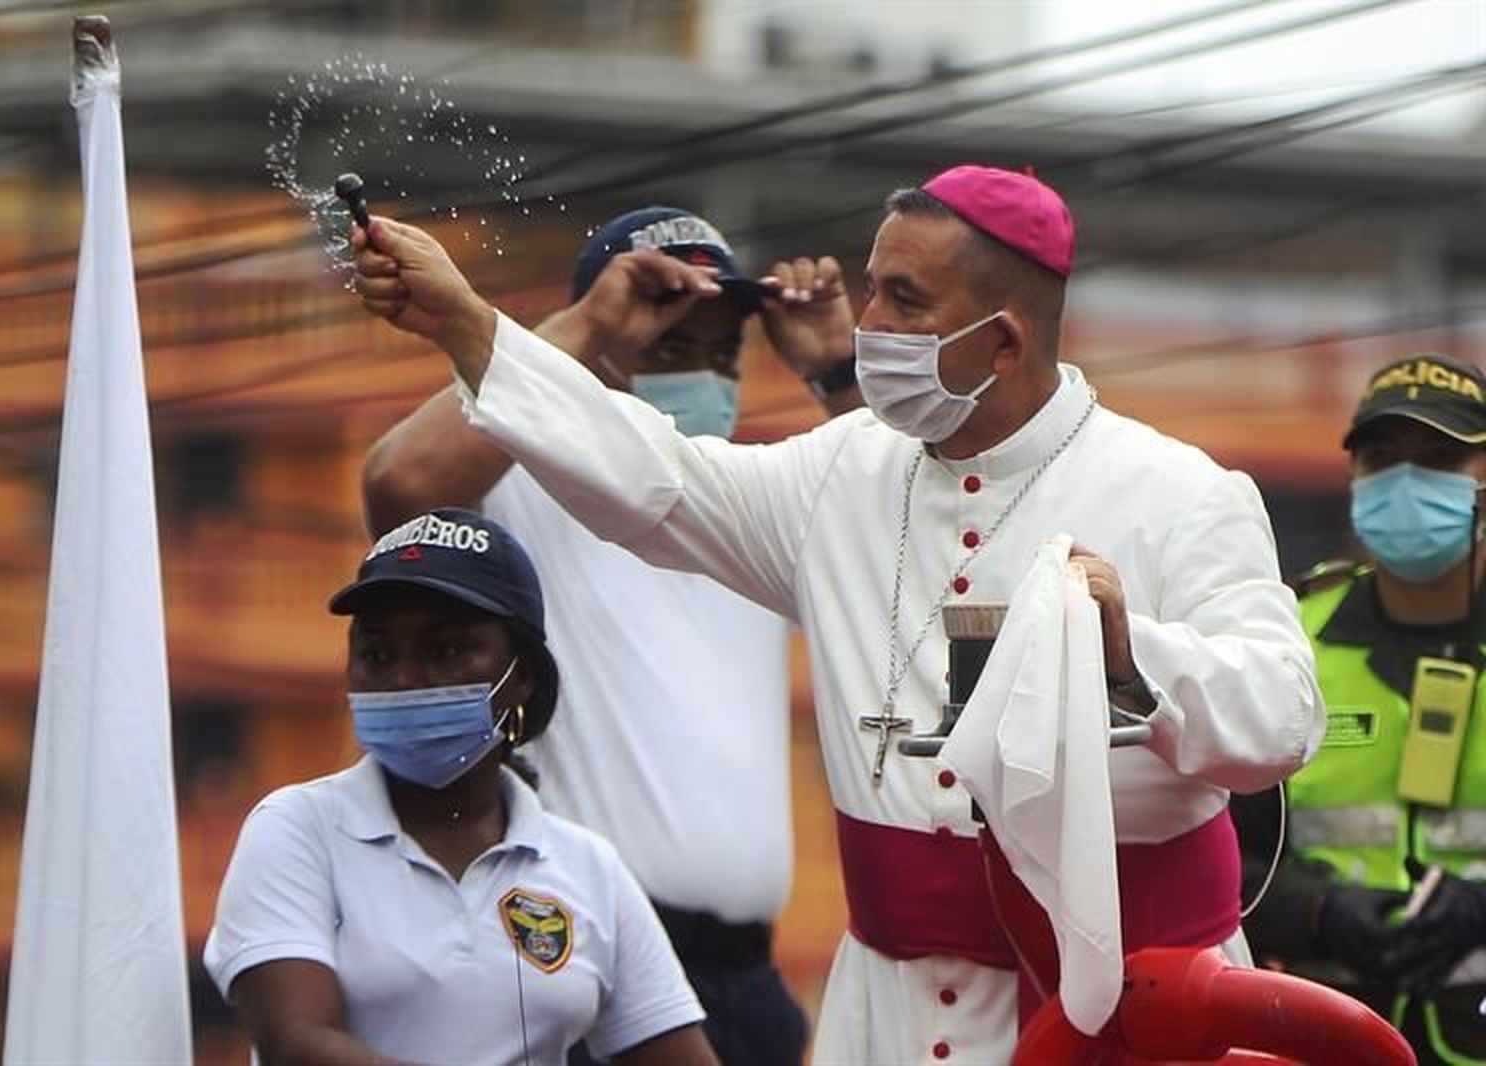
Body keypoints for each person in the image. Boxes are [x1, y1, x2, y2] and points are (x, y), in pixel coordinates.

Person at [348, 164, 1326, 1062]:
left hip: (1121, 1008)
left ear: (1002, 340)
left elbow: (1280, 719)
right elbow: (657, 475)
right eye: (871, 286)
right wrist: (470, 327)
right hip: (888, 1012)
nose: (867, 320)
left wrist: (1126, 654)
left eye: (903, 299)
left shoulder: (1180, 492)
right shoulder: (843, 471)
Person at [360, 206, 856, 1066]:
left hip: (747, 980)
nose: (704, 372)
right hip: (586, 956)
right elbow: (403, 482)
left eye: (722, 351)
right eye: (668, 345)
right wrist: (586, 329)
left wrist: (839, 371)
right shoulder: (533, 488)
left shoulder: (756, 499)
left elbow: (908, 547)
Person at [202, 508, 717, 1066]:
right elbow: (296, 1044)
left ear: (519, 676)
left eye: (444, 651)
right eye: (376, 655)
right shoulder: (298, 829)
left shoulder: (587, 868)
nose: (402, 679)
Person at [1235, 353, 1486, 1063]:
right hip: (1318, 1032)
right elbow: (1219, 847)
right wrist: (1316, 912)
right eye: (1381, 459)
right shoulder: (1288, 643)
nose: (1405, 481)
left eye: (1439, 459)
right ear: (1354, 481)